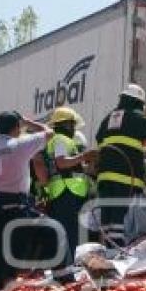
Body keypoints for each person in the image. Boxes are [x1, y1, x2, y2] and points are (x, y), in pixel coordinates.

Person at [0, 111, 54, 291]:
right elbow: (49, 132)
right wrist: (28, 122)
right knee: (52, 233)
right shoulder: (20, 145)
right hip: (16, 208)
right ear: (16, 127)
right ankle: (64, 279)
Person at [95, 84, 146, 247]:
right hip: (125, 175)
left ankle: (107, 249)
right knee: (120, 216)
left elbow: (100, 139)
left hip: (104, 175)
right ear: (138, 102)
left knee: (107, 214)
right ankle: (117, 249)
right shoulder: (138, 117)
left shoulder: (108, 118)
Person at [40, 106, 92, 252]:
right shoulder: (61, 139)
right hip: (66, 192)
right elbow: (61, 162)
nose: (74, 128)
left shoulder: (61, 140)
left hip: (64, 192)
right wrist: (84, 156)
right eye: (71, 124)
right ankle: (70, 268)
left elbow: (70, 166)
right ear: (64, 125)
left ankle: (64, 267)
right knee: (70, 233)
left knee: (65, 232)